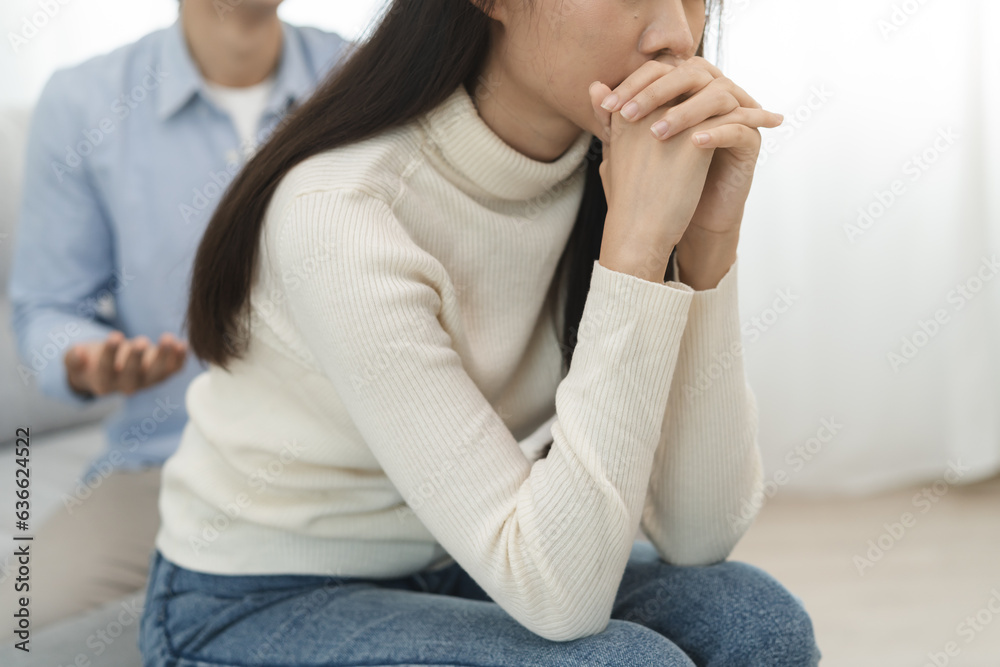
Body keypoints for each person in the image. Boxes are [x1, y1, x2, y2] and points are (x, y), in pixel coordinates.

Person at [140, 0, 822, 665]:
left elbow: (698, 532)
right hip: (252, 598)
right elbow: (565, 599)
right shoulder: (343, 212)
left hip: (454, 553)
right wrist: (637, 252)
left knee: (758, 623)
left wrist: (706, 249)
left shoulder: (617, 167)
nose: (677, 32)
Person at [4, 0, 348, 634]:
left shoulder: (363, 77)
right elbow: (50, 305)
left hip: (353, 463)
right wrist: (85, 359)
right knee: (18, 619)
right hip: (167, 462)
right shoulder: (83, 101)